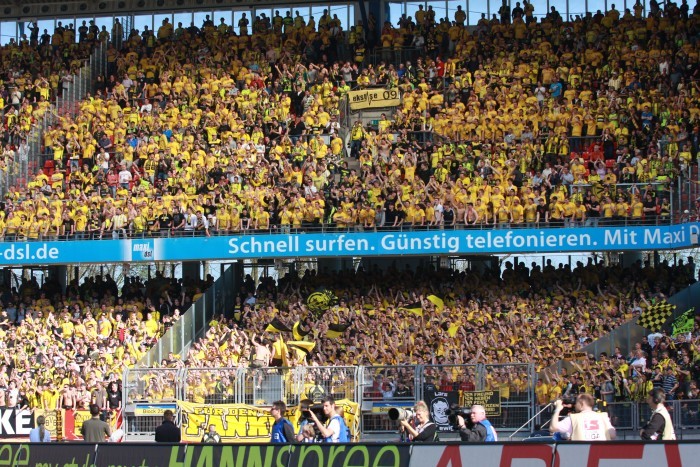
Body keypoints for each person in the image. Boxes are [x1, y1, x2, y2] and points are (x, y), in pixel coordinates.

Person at [550, 394, 616, 441]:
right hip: (601, 453)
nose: (575, 405)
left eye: (576, 403)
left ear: (581, 404)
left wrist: (557, 409)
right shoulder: (603, 416)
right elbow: (613, 435)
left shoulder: (573, 418)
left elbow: (553, 428)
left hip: (582, 453)